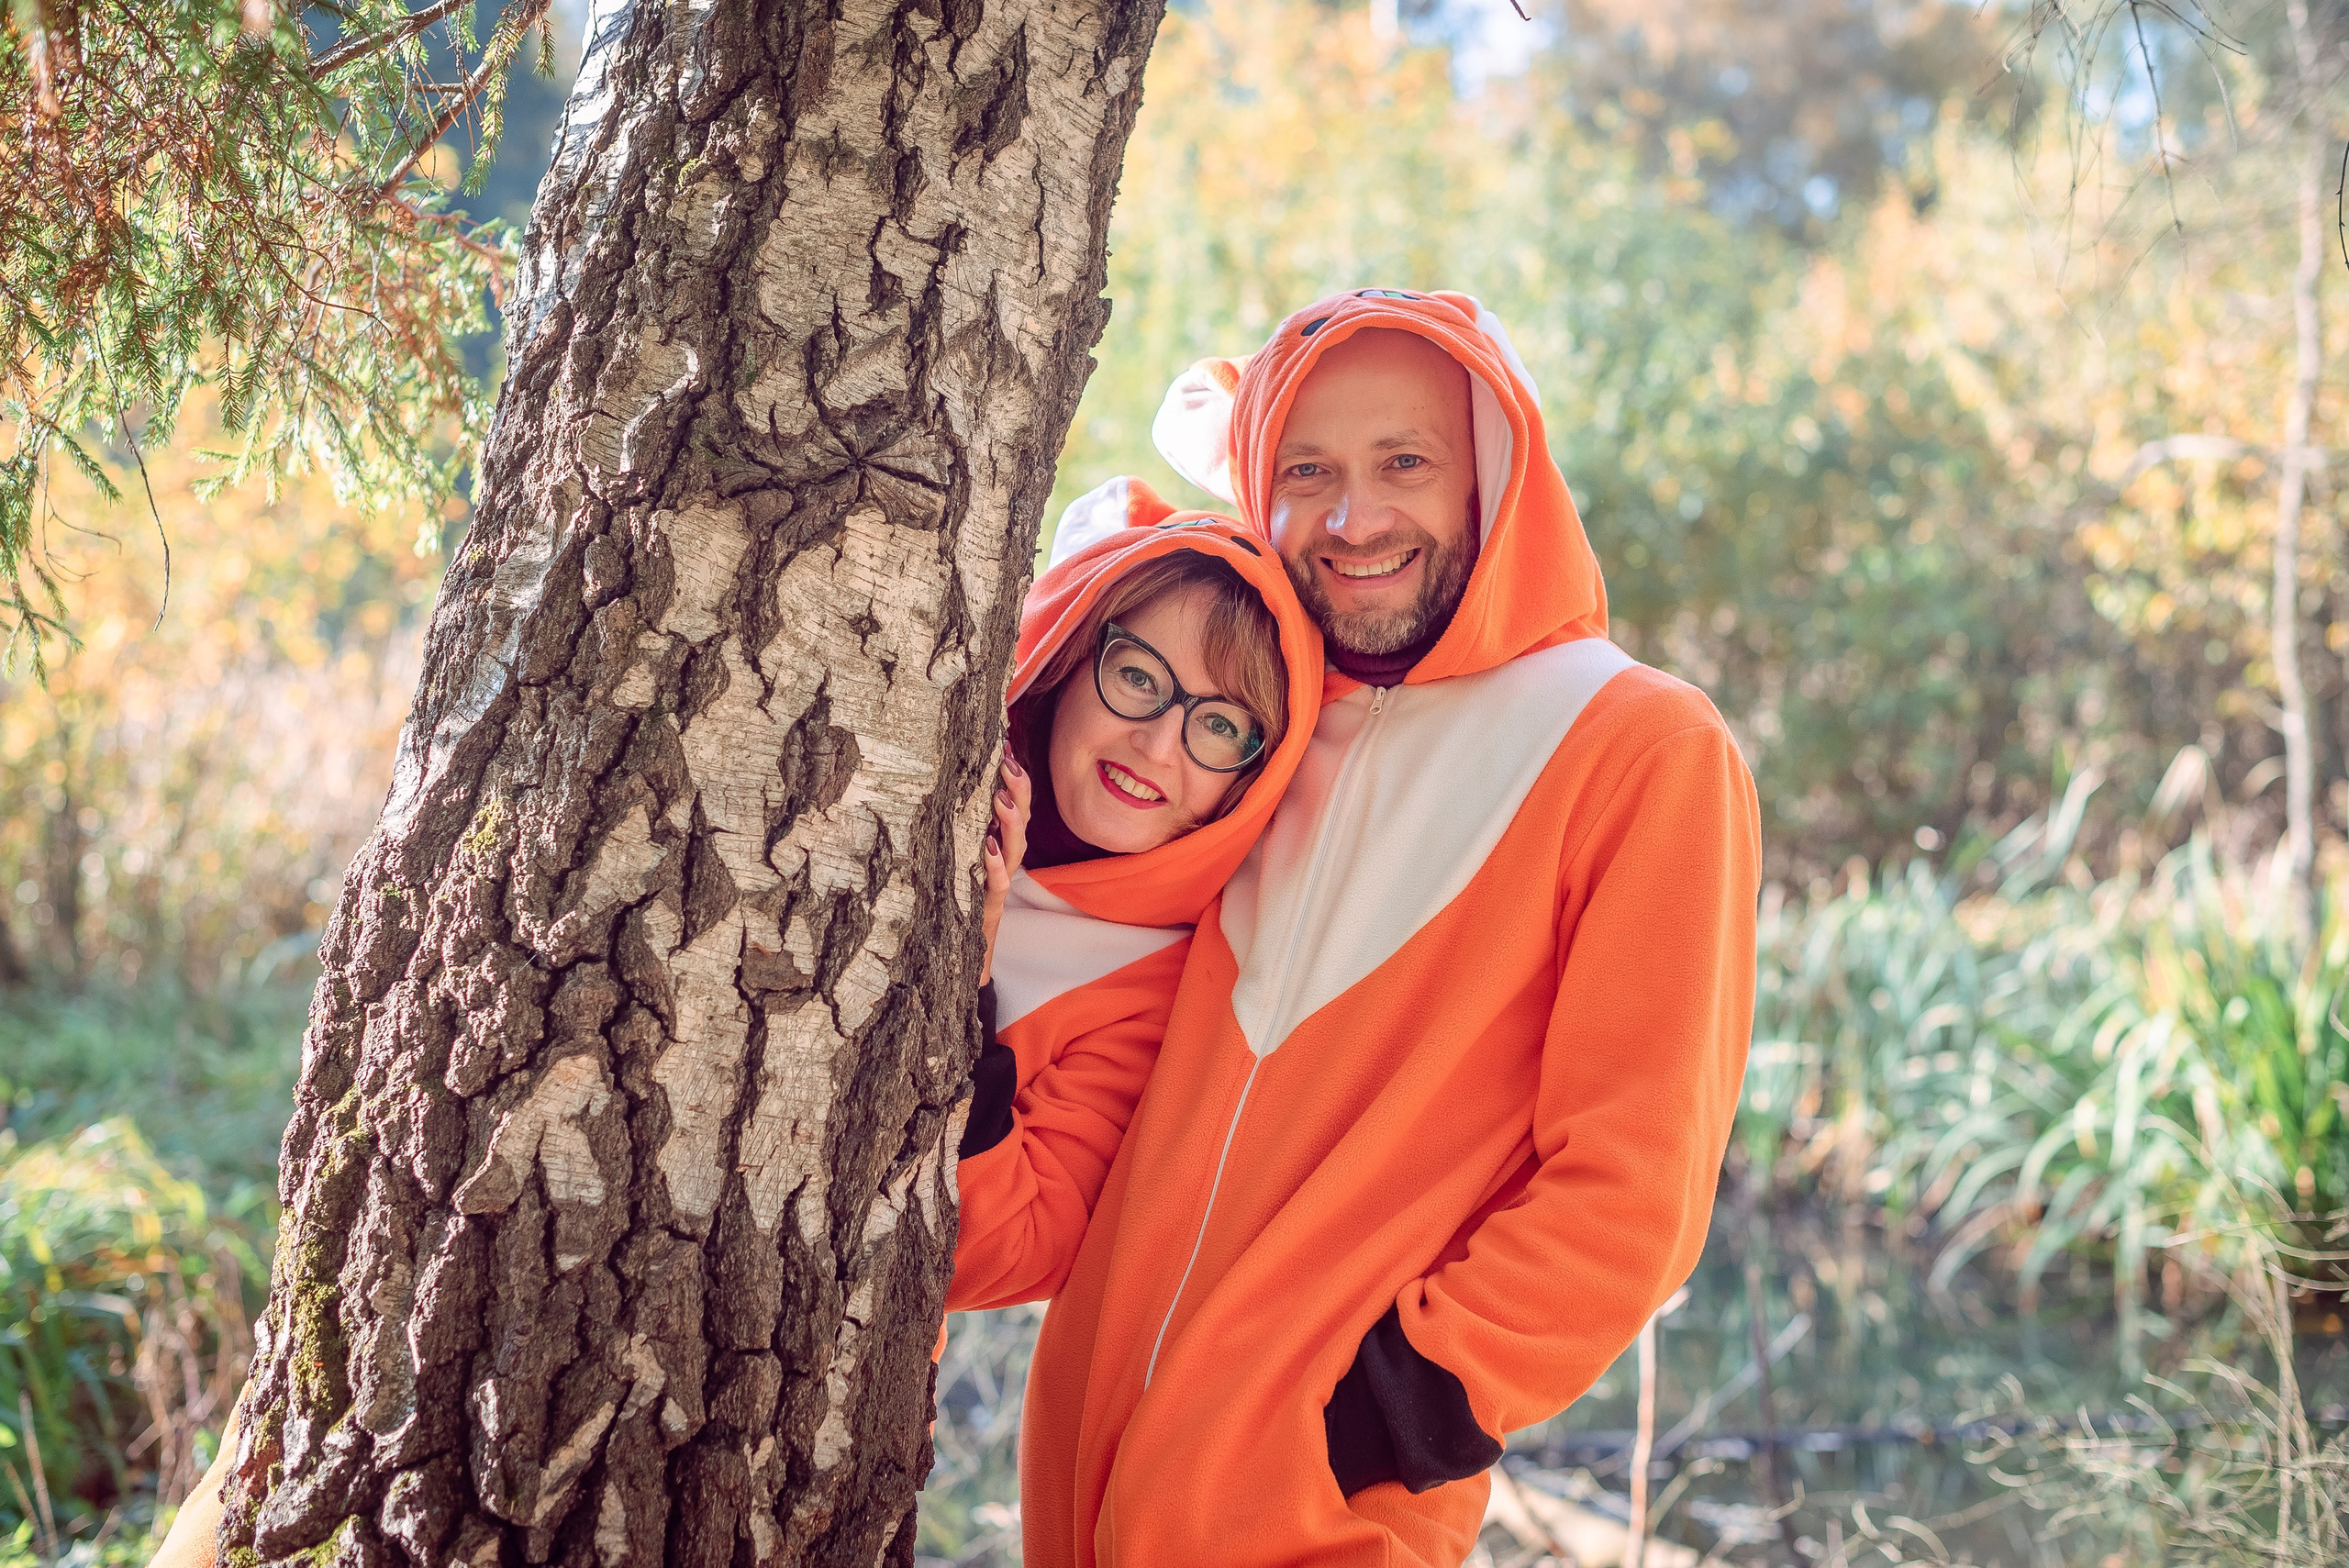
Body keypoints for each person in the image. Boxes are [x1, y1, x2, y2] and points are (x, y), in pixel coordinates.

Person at [145, 514, 1323, 1568]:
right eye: (1138, 675)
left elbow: (1005, 1249)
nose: (1159, 741)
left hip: (776, 1370)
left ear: (1252, 777)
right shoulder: (919, 761)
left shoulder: (1150, 985)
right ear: (1072, 657)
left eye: (1220, 724)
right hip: (514, 1258)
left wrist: (964, 988)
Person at [1001, 289, 1764, 1568]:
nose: (1354, 519)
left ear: (1493, 472)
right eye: (1308, 471)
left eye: (1404, 462)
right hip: (1078, 1473)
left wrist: (1392, 1413)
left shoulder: (1640, 745)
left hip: (1321, 1507)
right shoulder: (1257, 714)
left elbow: (1635, 1181)